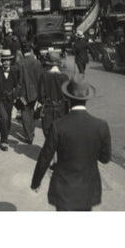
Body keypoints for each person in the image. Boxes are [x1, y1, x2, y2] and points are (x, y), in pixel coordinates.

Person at [31, 77, 111, 211]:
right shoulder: (101, 126)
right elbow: (105, 158)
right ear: (87, 98)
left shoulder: (58, 126)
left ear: (68, 98)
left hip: (64, 190)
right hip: (88, 190)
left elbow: (45, 157)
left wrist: (36, 182)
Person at [0, 49, 21, 151]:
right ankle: (3, 141)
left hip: (10, 99)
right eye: (4, 60)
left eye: (8, 60)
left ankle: (5, 136)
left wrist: (16, 95)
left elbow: (18, 85)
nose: (6, 62)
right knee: (3, 118)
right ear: (1, 61)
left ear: (10, 61)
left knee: (8, 120)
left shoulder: (14, 71)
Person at [39, 51, 70, 139]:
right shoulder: (65, 77)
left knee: (48, 132)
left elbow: (41, 94)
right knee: (61, 132)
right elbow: (68, 96)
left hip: (48, 107)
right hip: (62, 108)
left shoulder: (44, 76)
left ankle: (50, 150)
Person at [17, 42, 43, 144]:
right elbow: (40, 78)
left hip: (23, 93)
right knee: (33, 112)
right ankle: (31, 132)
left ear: (22, 52)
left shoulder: (20, 63)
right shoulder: (37, 63)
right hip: (35, 92)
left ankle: (28, 136)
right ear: (30, 51)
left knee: (24, 113)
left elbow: (19, 80)